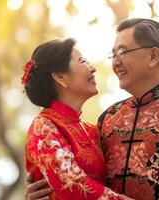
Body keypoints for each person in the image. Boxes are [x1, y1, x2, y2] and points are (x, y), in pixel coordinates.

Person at [25, 18, 159, 200]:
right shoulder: (107, 120)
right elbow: (74, 184)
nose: (115, 62)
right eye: (112, 55)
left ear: (153, 56)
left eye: (122, 52)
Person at [23, 38, 132, 199]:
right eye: (83, 61)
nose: (93, 69)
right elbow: (72, 185)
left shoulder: (92, 130)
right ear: (60, 77)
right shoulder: (43, 127)